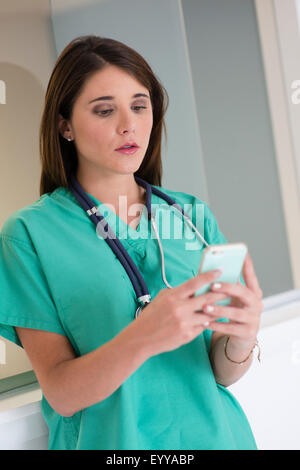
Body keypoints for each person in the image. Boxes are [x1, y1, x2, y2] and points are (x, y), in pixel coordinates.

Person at [0, 35, 263, 450]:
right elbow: (62, 395)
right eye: (105, 110)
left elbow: (219, 372)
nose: (129, 124)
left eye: (140, 106)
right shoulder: (29, 235)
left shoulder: (191, 217)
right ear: (64, 125)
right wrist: (146, 336)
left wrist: (243, 336)